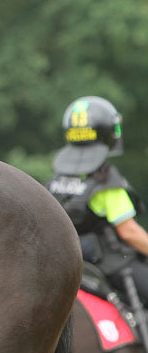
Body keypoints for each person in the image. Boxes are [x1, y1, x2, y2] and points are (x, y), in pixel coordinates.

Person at [46, 96, 148, 306]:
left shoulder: (55, 180)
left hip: (67, 263)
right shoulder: (106, 180)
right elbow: (128, 232)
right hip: (110, 265)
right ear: (108, 134)